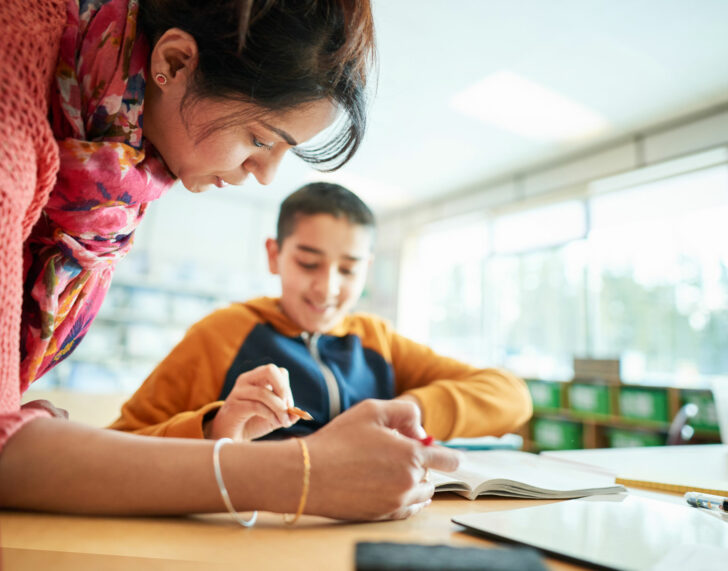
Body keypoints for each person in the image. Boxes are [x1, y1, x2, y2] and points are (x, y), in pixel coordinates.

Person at [0, 0, 460, 521]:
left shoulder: (117, 162)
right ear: (173, 63)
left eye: (350, 267)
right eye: (260, 139)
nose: (264, 175)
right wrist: (300, 473)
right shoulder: (13, 106)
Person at [110, 182, 533, 442]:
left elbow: (511, 396)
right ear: (274, 256)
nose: (327, 287)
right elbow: (121, 442)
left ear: (366, 270)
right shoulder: (221, 334)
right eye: (309, 263)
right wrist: (214, 427)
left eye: (348, 269)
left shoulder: (378, 340)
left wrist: (408, 412)